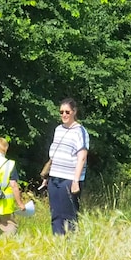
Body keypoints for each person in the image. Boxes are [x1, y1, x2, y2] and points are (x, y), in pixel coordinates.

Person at [43, 98, 89, 235]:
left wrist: (75, 181)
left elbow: (82, 157)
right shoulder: (58, 130)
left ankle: (70, 245)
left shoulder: (80, 131)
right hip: (54, 177)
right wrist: (47, 176)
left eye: (67, 112)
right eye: (61, 112)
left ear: (74, 112)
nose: (64, 115)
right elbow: (54, 155)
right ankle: (58, 242)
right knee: (56, 214)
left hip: (69, 179)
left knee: (69, 215)